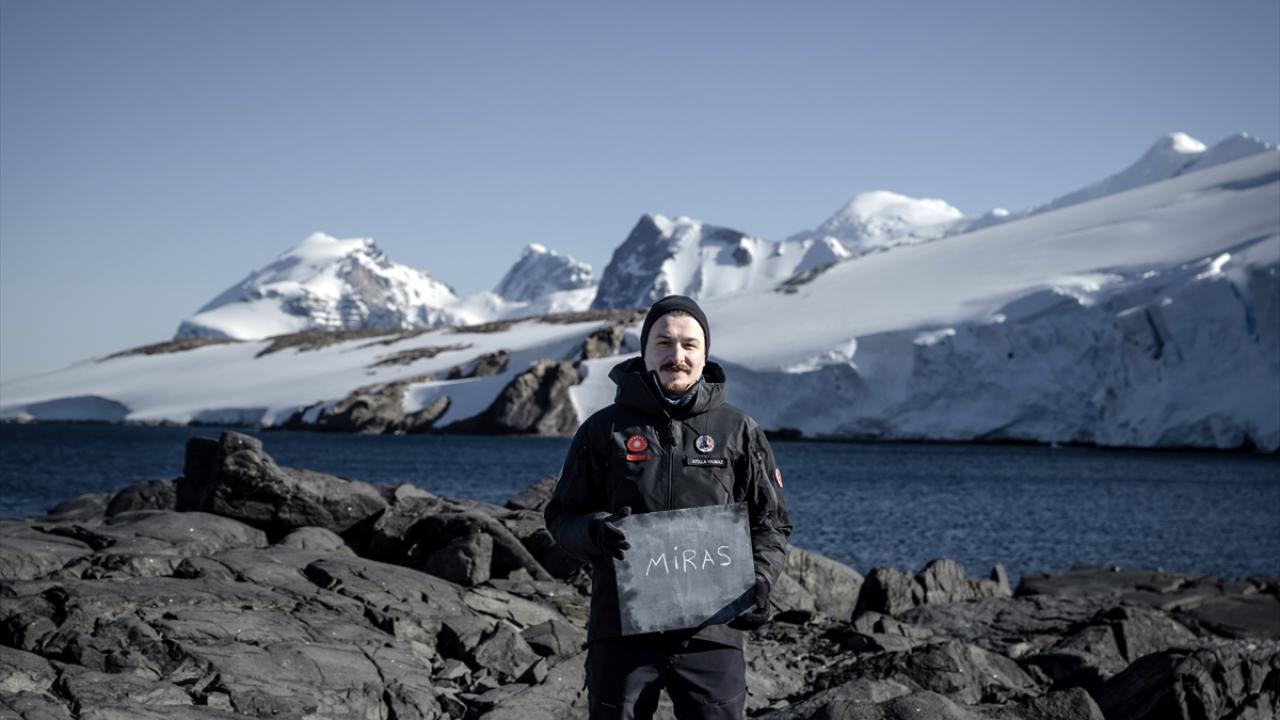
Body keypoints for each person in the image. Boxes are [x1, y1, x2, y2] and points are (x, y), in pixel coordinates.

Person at [544, 294, 792, 720]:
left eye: (689, 344)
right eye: (664, 343)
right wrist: (593, 532)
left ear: (705, 353)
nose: (676, 355)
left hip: (713, 633)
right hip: (622, 630)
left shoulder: (738, 430)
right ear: (644, 352)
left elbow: (771, 524)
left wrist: (761, 581)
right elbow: (561, 518)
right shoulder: (603, 430)